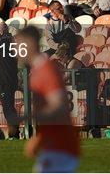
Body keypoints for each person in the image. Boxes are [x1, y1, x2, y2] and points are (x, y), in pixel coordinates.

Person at [14, 26, 80, 173]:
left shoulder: (46, 70)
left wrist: (28, 116)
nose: (15, 51)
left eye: (18, 46)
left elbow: (59, 106)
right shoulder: (39, 69)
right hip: (54, 144)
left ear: (29, 45)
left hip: (61, 147)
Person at [0, 22, 20, 139]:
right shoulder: (6, 41)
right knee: (8, 107)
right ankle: (14, 134)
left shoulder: (7, 41)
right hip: (5, 79)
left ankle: (14, 134)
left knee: (8, 108)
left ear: (0, 31)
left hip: (6, 80)